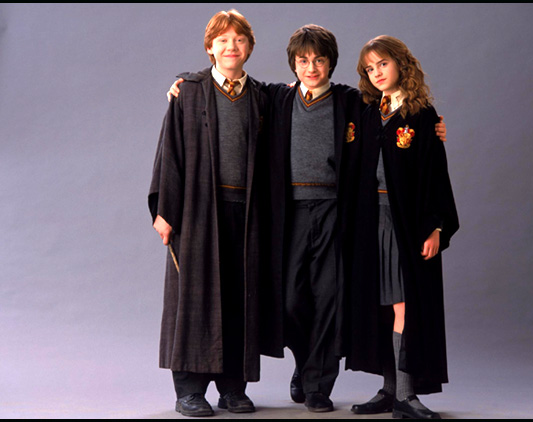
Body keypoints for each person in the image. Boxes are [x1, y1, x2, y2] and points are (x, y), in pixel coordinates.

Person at [167, 25, 448, 414]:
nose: (311, 68)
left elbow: (396, 116)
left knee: (329, 301)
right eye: (303, 60)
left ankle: (318, 386)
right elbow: (231, 80)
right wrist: (184, 81)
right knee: (289, 302)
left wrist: (432, 129)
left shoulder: (351, 102)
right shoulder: (277, 98)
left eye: (319, 60)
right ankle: (304, 363)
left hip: (335, 212)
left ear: (331, 63)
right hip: (290, 215)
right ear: (293, 64)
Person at [148, 10, 269, 417]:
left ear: (249, 48)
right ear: (210, 47)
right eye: (223, 40)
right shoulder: (189, 92)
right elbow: (170, 153)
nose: (231, 46)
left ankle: (233, 388)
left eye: (239, 40)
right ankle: (189, 391)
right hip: (198, 211)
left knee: (238, 299)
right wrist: (164, 212)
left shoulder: (261, 97)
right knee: (194, 299)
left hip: (245, 213)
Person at [346, 35, 459, 419]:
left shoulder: (421, 115)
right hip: (368, 223)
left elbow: (435, 176)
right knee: (379, 307)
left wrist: (436, 227)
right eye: (369, 68)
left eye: (383, 64)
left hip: (405, 225)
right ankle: (389, 390)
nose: (377, 73)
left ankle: (406, 397)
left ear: (401, 64)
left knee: (404, 304)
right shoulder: (366, 112)